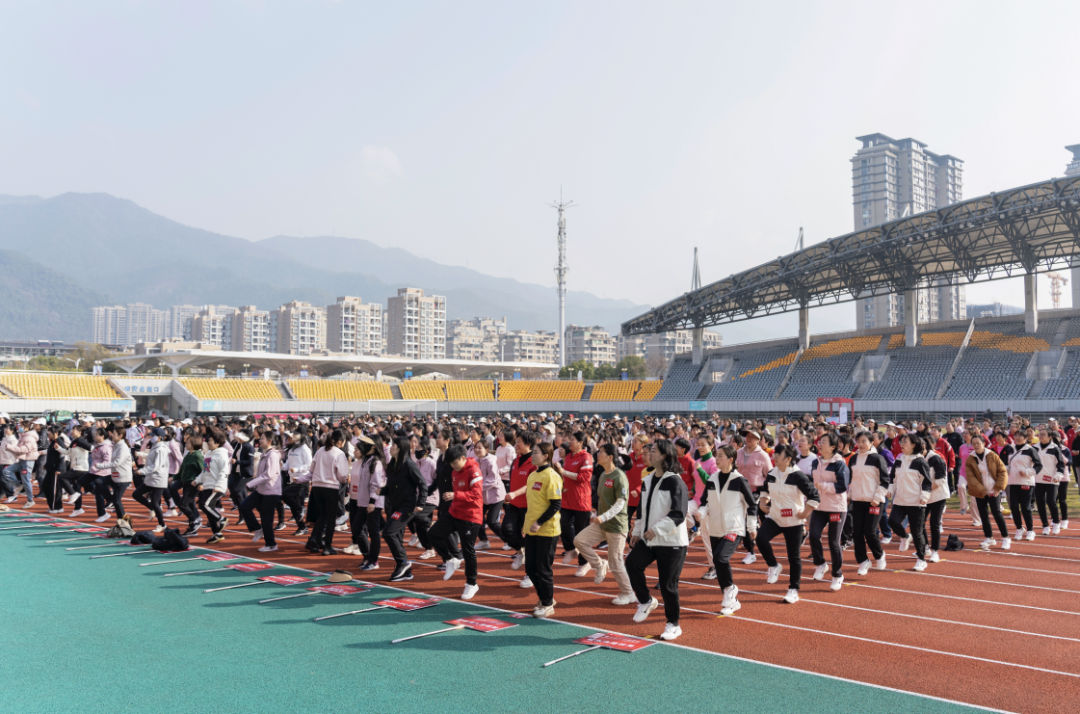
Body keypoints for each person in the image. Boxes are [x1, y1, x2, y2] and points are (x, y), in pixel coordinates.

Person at [625, 439, 689, 641]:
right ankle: (645, 600)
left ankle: (673, 624)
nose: (647, 455)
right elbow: (642, 510)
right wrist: (637, 529)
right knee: (632, 563)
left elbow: (679, 513)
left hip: (671, 541)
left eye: (652, 451)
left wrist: (657, 529)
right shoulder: (648, 479)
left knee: (668, 585)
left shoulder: (674, 480)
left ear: (664, 456)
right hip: (649, 538)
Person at [756, 443, 819, 604]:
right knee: (761, 539)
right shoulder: (772, 473)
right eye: (775, 454)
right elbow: (764, 490)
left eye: (779, 455)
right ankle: (773, 565)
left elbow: (814, 496)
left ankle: (793, 590)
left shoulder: (797, 476)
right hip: (775, 517)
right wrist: (763, 502)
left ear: (788, 459)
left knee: (794, 556)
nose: (775, 457)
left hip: (794, 521)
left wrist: (804, 513)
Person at [573, 443, 636, 605]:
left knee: (615, 561)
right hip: (601, 523)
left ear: (610, 457)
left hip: (615, 525)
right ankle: (600, 564)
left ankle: (628, 593)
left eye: (600, 452)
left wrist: (604, 516)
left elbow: (621, 503)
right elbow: (602, 500)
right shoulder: (602, 476)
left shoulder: (619, 476)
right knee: (579, 541)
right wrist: (597, 514)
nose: (597, 455)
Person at [698, 443, 758, 615]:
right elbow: (705, 502)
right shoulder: (712, 480)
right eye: (716, 455)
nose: (716, 458)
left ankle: (730, 589)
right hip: (715, 528)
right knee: (718, 562)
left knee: (720, 558)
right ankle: (730, 597)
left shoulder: (739, 481)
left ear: (731, 459)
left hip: (734, 527)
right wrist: (701, 513)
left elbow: (751, 505)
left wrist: (752, 526)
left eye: (720, 456)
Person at [430, 444, 485, 600]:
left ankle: (471, 584)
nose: (453, 467)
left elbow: (476, 494)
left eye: (455, 463)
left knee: (468, 550)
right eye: (451, 464)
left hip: (471, 516)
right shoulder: (454, 471)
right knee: (433, 533)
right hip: (455, 512)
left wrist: (456, 495)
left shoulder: (474, 470)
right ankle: (450, 560)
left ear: (463, 458)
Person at [517, 441, 562, 618]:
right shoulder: (533, 475)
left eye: (535, 452)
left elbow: (555, 504)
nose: (532, 455)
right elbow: (533, 504)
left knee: (543, 568)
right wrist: (527, 525)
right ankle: (545, 598)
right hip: (531, 529)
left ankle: (548, 603)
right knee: (530, 567)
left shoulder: (551, 476)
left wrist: (540, 522)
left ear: (545, 456)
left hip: (547, 530)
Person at [294, 429, 350, 555]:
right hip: (331, 488)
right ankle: (327, 545)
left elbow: (311, 470)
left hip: (317, 487)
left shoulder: (320, 450)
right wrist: (346, 479)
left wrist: (299, 479)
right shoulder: (339, 454)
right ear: (340, 442)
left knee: (323, 515)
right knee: (330, 518)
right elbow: (342, 476)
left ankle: (315, 540)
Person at [381, 435, 428, 582]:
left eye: (393, 444)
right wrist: (381, 492)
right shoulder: (393, 464)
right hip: (393, 505)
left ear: (400, 448)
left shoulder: (409, 464)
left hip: (406, 506)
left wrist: (420, 503)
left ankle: (403, 562)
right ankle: (406, 571)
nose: (390, 447)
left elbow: (422, 483)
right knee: (396, 537)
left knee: (388, 533)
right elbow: (391, 487)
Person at [808, 433, 850, 591]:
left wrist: (822, 486)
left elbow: (842, 486)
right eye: (819, 441)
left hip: (835, 508)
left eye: (824, 442)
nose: (820, 444)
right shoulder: (815, 462)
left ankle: (837, 575)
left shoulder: (839, 464)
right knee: (813, 536)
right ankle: (820, 564)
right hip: (819, 506)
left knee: (833, 542)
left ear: (833, 447)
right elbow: (813, 481)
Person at [846, 431, 890, 576]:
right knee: (857, 532)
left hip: (874, 501)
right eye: (858, 441)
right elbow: (853, 481)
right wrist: (849, 495)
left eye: (864, 441)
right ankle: (864, 561)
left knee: (870, 531)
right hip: (858, 500)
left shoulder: (877, 459)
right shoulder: (854, 459)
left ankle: (879, 555)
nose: (861, 444)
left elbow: (885, 481)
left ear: (872, 443)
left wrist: (877, 498)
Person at [887, 435, 933, 571]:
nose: (902, 444)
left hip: (916, 502)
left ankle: (921, 559)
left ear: (914, 444)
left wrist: (924, 496)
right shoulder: (899, 460)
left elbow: (927, 482)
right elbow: (893, 478)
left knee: (917, 531)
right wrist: (890, 490)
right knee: (892, 522)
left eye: (905, 442)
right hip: (900, 500)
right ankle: (905, 536)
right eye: (901, 442)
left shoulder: (920, 462)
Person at [552, 431, 593, 569]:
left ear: (581, 443)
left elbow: (584, 478)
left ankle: (584, 563)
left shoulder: (586, 457)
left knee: (582, 534)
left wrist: (563, 472)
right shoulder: (568, 456)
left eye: (573, 440)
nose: (570, 442)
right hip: (567, 499)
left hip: (581, 500)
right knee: (562, 523)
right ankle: (570, 549)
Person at [503, 430, 537, 588]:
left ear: (528, 445)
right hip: (513, 504)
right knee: (507, 530)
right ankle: (519, 551)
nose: (516, 445)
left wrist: (515, 493)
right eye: (516, 443)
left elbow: (531, 486)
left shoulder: (534, 463)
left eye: (519, 443)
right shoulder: (516, 460)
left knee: (530, 541)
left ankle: (530, 575)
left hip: (528, 506)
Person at [964, 434, 1010, 550]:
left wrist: (997, 488)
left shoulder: (992, 455)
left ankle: (1005, 538)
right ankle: (989, 538)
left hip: (994, 490)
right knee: (983, 515)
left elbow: (1002, 471)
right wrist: (982, 491)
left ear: (983, 443)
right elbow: (970, 477)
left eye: (978, 443)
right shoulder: (970, 458)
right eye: (974, 444)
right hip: (980, 491)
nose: (976, 446)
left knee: (997, 513)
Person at [240, 431, 283, 552]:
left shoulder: (273, 455)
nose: (260, 440)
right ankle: (258, 529)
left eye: (262, 438)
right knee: (244, 506)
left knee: (266, 518)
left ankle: (271, 544)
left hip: (271, 490)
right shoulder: (265, 453)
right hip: (261, 489)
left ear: (269, 441)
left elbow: (269, 474)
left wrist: (251, 483)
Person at [1001, 431, 1041, 541]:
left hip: (1026, 482)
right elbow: (1006, 464)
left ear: (1025, 438)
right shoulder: (1010, 449)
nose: (1018, 438)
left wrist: (1028, 471)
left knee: (1025, 507)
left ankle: (1030, 530)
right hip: (1012, 482)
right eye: (1016, 436)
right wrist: (1006, 469)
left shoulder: (1030, 450)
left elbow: (1038, 465)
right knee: (1013, 506)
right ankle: (1019, 528)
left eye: (1020, 436)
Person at [196, 429, 231, 543]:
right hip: (207, 486)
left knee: (204, 505)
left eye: (210, 440)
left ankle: (221, 519)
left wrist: (220, 485)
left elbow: (224, 471)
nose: (207, 442)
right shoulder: (208, 454)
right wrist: (197, 481)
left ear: (217, 443)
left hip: (216, 487)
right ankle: (217, 534)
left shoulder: (221, 455)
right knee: (208, 510)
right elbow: (205, 471)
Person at [132, 427, 170, 533]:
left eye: (153, 436)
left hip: (158, 479)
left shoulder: (161, 449)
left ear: (159, 438)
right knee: (136, 494)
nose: (151, 437)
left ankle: (162, 524)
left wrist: (142, 471)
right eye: (151, 435)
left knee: (154, 502)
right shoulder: (155, 447)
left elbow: (156, 466)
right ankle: (152, 508)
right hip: (151, 478)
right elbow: (149, 458)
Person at [473, 439, 505, 551]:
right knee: (477, 519)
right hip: (483, 496)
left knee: (492, 521)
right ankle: (484, 541)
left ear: (486, 449)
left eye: (480, 448)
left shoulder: (490, 462)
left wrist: (476, 487)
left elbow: (492, 481)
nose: (477, 450)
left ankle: (508, 540)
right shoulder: (477, 460)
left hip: (495, 496)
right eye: (476, 447)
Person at [924, 441, 952, 563]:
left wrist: (926, 490)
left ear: (923, 446)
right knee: (918, 523)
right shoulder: (917, 459)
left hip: (938, 495)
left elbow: (940, 480)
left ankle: (935, 551)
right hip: (924, 496)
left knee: (934, 524)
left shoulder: (936, 459)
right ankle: (925, 548)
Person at [1034, 428, 1065, 535]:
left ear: (1050, 437)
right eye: (1040, 434)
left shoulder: (1055, 448)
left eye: (1043, 434)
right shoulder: (1034, 448)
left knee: (1051, 501)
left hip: (1052, 479)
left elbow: (1061, 465)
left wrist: (1058, 475)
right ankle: (1045, 525)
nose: (1040, 436)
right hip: (1038, 480)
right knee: (1040, 503)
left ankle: (1056, 522)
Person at [172, 432, 204, 535]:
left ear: (194, 443)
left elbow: (203, 470)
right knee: (188, 504)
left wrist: (200, 483)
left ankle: (194, 520)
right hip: (185, 483)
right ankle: (192, 527)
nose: (186, 443)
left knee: (183, 504)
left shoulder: (197, 456)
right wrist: (173, 477)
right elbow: (182, 471)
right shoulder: (188, 454)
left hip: (193, 484)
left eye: (189, 442)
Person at [282, 431, 313, 535]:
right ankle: (302, 527)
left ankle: (301, 509)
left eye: (290, 437)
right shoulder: (292, 448)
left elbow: (309, 465)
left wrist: (297, 469)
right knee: (294, 506)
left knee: (285, 494)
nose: (288, 440)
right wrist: (280, 465)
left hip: (302, 479)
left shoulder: (305, 449)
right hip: (292, 479)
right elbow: (287, 464)